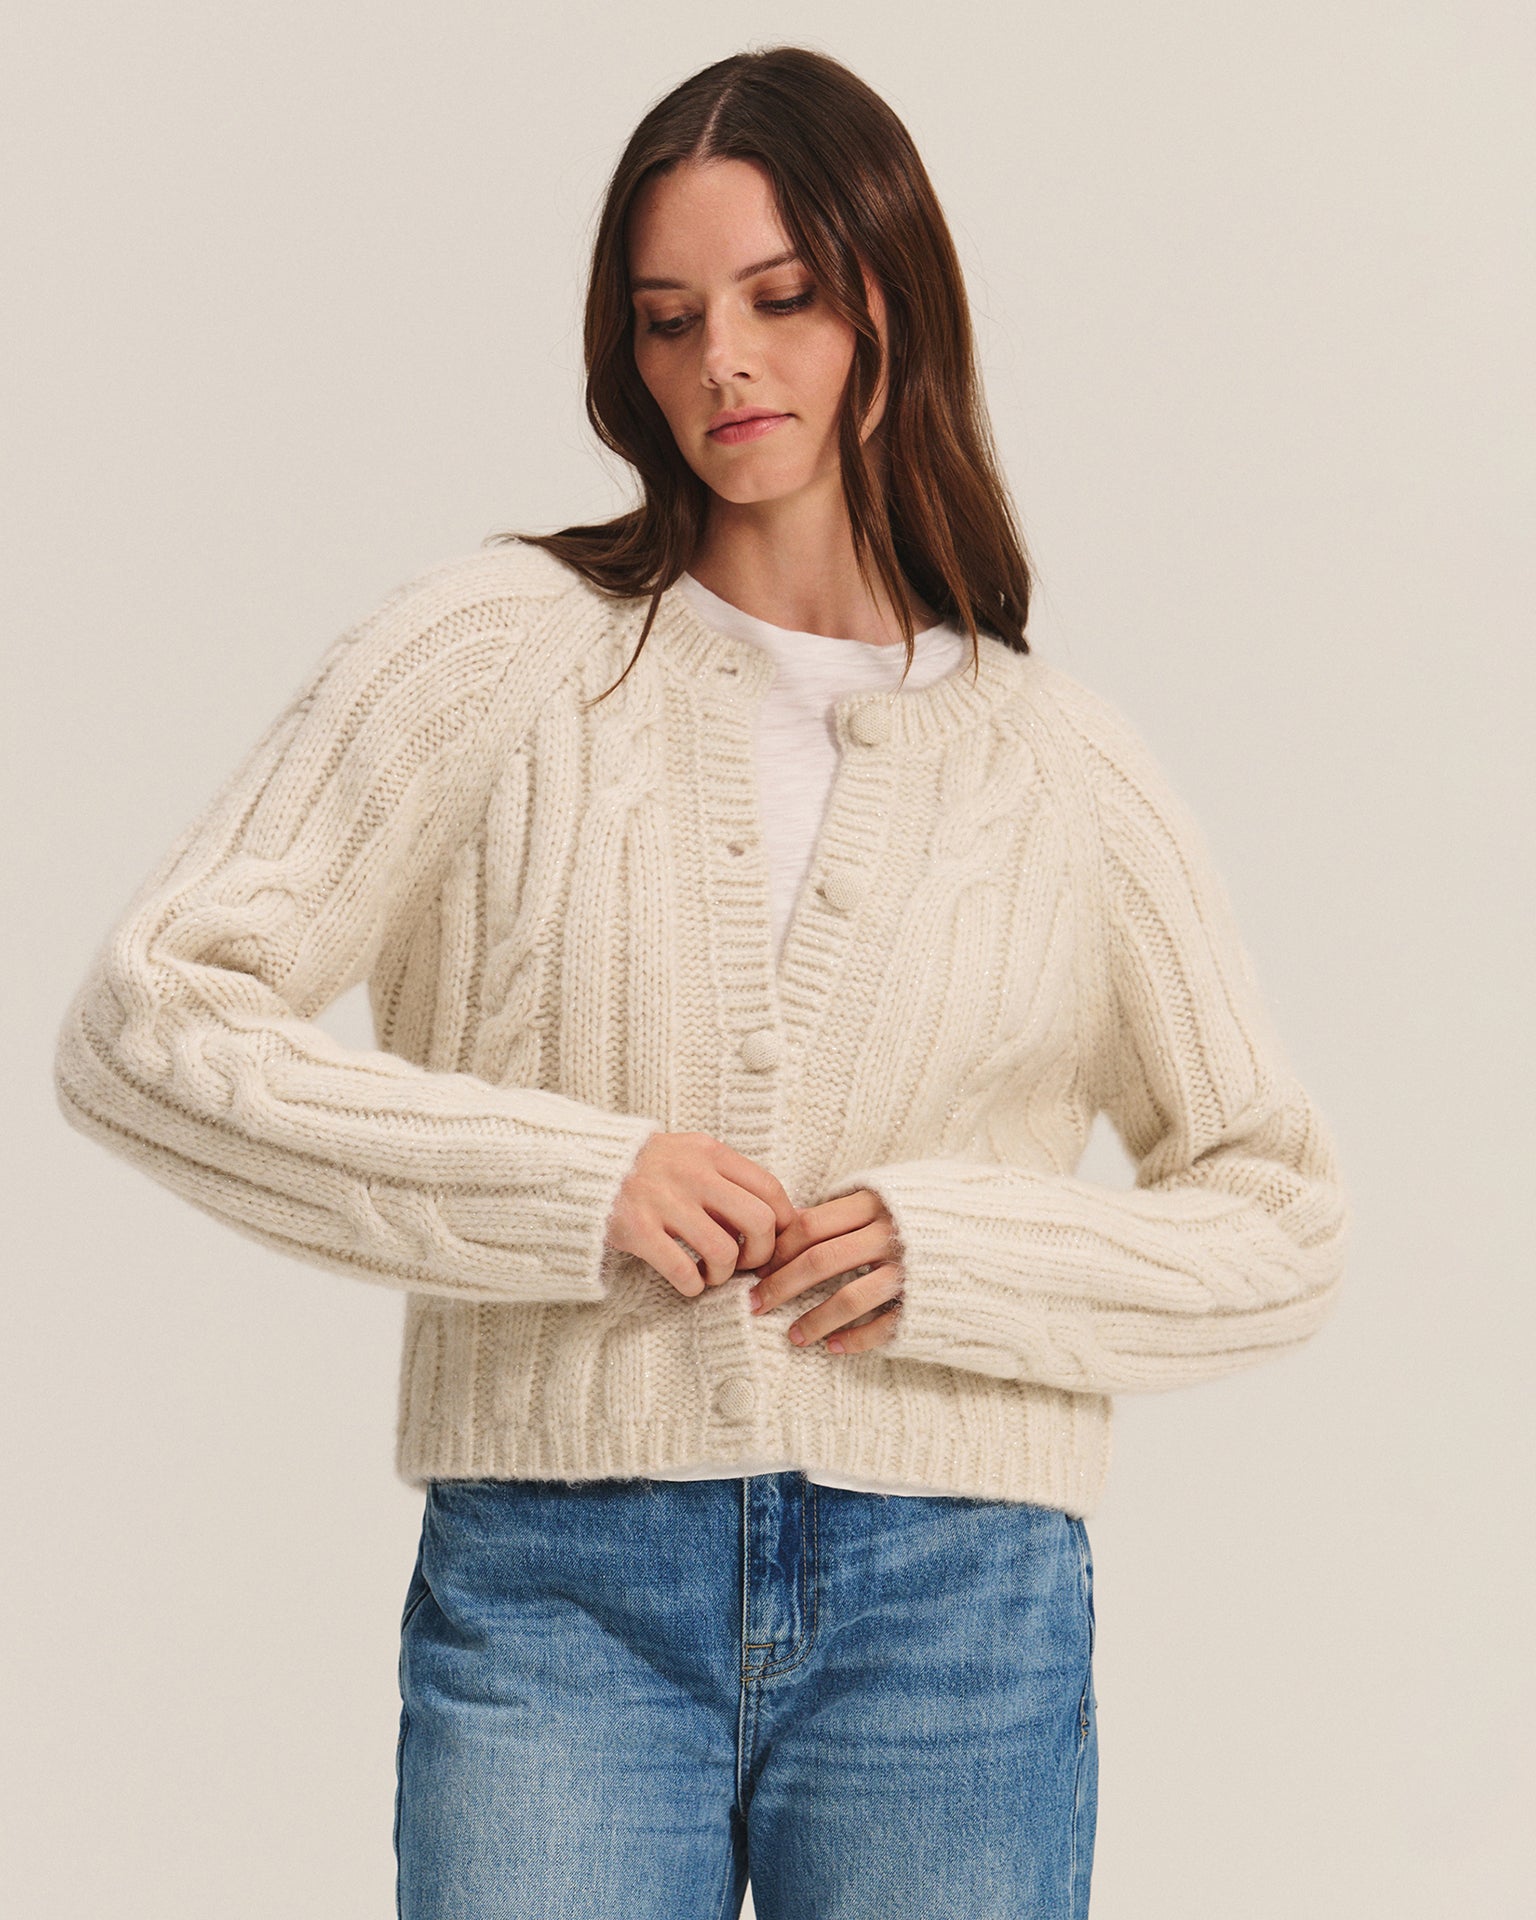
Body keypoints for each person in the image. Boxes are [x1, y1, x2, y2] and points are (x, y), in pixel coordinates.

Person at [52, 43, 1350, 1920]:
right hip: (563, 1587)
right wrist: (573, 1185)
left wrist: (965, 1254)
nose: (721, 363)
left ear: (892, 295)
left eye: (780, 299)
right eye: (669, 322)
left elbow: (1281, 1212)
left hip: (959, 1610)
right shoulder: (498, 655)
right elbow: (151, 1024)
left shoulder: (1065, 769)